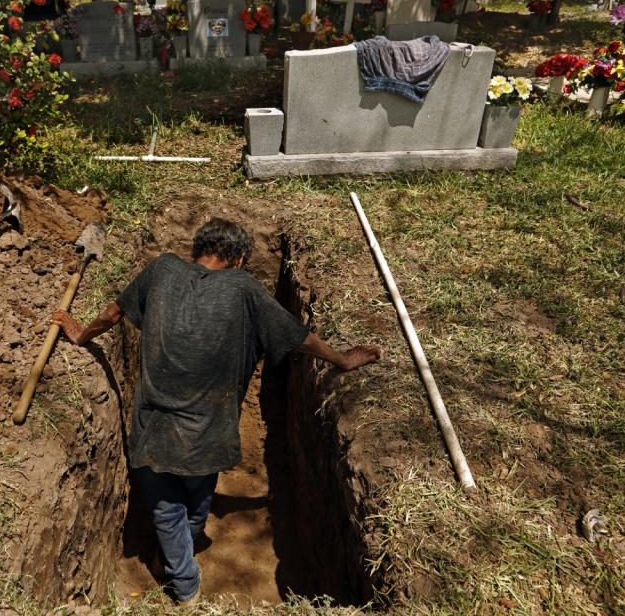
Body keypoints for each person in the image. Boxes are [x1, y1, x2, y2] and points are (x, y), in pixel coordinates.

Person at [51, 218, 381, 605]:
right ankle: (185, 584)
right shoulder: (244, 288)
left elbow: (111, 315)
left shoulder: (162, 268)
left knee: (167, 508)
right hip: (211, 427)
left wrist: (80, 334)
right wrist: (340, 359)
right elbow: (296, 336)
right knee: (196, 495)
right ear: (239, 258)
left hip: (155, 426)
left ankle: (177, 570)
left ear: (197, 249)